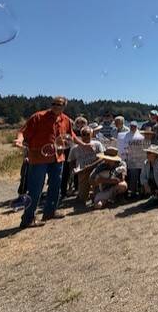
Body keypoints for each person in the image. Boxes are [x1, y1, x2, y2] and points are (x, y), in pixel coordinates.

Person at [14, 96, 80, 228]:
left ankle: (50, 212)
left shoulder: (66, 120)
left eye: (59, 104)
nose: (56, 106)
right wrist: (19, 140)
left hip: (58, 157)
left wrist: (83, 143)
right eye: (54, 103)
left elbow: (70, 135)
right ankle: (27, 219)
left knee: (56, 186)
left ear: (64, 106)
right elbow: (23, 131)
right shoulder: (38, 117)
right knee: (35, 188)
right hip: (39, 158)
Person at [67, 126, 105, 203]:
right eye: (84, 134)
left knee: (95, 180)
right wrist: (73, 171)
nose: (86, 136)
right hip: (82, 171)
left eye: (88, 134)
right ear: (81, 135)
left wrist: (91, 166)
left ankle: (95, 192)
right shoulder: (75, 148)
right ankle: (86, 192)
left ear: (91, 135)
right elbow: (71, 162)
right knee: (82, 198)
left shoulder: (97, 144)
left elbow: (102, 157)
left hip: (95, 169)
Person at [120, 121, 147, 195]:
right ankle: (133, 191)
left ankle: (142, 190)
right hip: (131, 160)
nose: (133, 127)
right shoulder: (126, 136)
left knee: (141, 175)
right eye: (131, 126)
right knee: (133, 176)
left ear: (137, 127)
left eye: (134, 126)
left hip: (141, 159)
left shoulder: (141, 135)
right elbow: (124, 147)